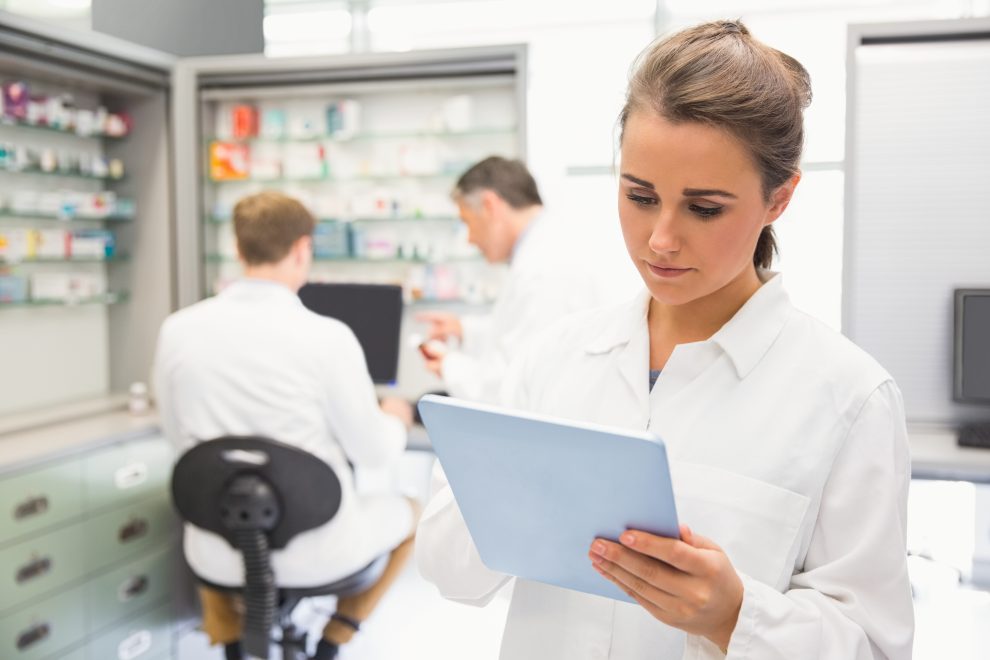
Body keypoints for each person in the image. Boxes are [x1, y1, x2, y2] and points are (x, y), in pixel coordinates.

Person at [416, 21, 913, 660]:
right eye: (640, 196)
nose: (661, 239)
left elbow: (874, 646)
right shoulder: (556, 359)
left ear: (779, 199)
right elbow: (447, 568)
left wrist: (736, 615)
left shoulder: (850, 398)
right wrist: (509, 498)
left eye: (704, 208)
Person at [154, 191, 418, 660]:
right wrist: (394, 418)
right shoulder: (328, 338)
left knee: (211, 509)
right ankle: (332, 642)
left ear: (238, 249)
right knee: (416, 514)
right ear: (302, 249)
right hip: (319, 553)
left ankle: (233, 643)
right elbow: (374, 453)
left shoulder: (177, 329)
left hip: (216, 552)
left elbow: (181, 446)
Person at [416, 156, 635, 402]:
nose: (469, 239)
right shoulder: (547, 247)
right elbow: (524, 331)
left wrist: (448, 364)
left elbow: (513, 387)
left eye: (467, 222)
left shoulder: (543, 269)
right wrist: (464, 330)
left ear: (490, 205)